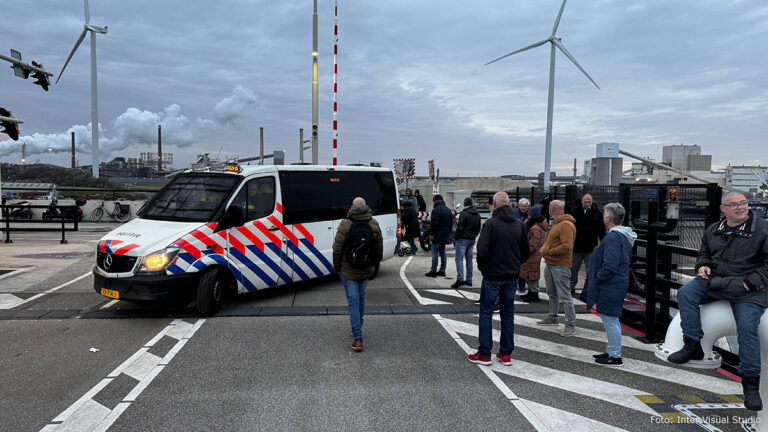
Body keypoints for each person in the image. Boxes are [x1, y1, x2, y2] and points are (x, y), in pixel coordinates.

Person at [666, 192, 768, 411]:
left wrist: (751, 283)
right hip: (716, 281)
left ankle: (750, 384)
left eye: (743, 203)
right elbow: (704, 253)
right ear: (723, 209)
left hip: (747, 289)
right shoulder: (714, 230)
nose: (741, 208)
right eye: (734, 205)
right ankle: (692, 344)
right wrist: (702, 265)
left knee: (748, 328)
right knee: (686, 293)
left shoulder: (762, 229)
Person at [468, 191, 530, 365]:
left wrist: (484, 269)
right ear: (510, 205)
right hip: (511, 276)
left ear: (494, 205)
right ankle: (506, 353)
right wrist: (515, 265)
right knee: (508, 314)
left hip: (493, 276)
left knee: (486, 313)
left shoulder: (491, 224)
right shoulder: (519, 225)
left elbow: (483, 251)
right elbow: (525, 252)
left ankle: (485, 353)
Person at [583, 203, 636, 366]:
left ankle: (615, 355)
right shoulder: (623, 236)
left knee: (610, 320)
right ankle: (612, 350)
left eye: (605, 214)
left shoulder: (613, 237)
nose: (603, 217)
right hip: (616, 283)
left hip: (610, 285)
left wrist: (597, 279)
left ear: (608, 218)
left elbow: (610, 265)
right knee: (611, 319)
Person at [332, 197, 384, 352]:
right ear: (365, 206)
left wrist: (337, 267)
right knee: (361, 299)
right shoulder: (373, 223)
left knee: (353, 302)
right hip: (366, 268)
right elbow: (379, 248)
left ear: (352, 207)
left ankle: (358, 338)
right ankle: (357, 328)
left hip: (348, 270)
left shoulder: (345, 224)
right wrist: (374, 267)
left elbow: (337, 249)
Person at [537, 200, 578, 337]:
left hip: (560, 265)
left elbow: (567, 247)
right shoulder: (557, 223)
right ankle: (552, 316)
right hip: (551, 264)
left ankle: (570, 324)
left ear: (552, 208)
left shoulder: (565, 224)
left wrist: (548, 251)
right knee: (552, 292)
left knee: (565, 296)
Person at [569, 193, 606, 295]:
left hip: (590, 246)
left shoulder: (597, 213)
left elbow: (601, 229)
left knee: (590, 269)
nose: (587, 204)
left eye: (589, 202)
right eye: (586, 202)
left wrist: (603, 241)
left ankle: (589, 287)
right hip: (576, 245)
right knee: (573, 268)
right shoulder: (575, 212)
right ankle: (571, 286)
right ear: (582, 202)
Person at [518, 205, 548, 303]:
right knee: (530, 274)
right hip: (534, 255)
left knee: (532, 274)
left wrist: (525, 252)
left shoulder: (535, 229)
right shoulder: (537, 227)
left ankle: (534, 294)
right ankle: (531, 292)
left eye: (529, 215)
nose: (528, 217)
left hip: (532, 256)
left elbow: (532, 245)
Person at [452, 197, 481, 288]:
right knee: (469, 260)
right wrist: (474, 235)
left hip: (462, 239)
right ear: (472, 204)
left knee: (459, 259)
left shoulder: (464, 213)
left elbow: (460, 227)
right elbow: (479, 227)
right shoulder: (477, 214)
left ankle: (460, 279)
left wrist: (456, 237)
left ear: (464, 204)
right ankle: (469, 280)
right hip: (472, 239)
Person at [425, 194, 452, 278]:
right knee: (443, 252)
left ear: (436, 200)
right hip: (445, 235)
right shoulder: (448, 210)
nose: (433, 203)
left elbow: (434, 224)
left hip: (436, 235)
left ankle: (433, 271)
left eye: (434, 201)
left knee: (435, 253)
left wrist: (431, 234)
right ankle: (442, 270)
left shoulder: (436, 210)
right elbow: (450, 225)